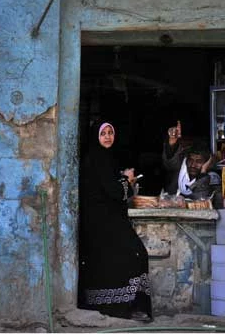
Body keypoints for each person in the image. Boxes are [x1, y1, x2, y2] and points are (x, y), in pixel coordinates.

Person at [78, 121, 153, 321]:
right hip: (102, 221)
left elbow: (111, 186)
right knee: (133, 255)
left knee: (120, 259)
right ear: (96, 136)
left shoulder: (106, 159)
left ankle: (127, 305)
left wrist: (123, 180)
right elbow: (113, 191)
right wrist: (127, 181)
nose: (108, 136)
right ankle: (123, 305)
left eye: (111, 132)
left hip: (107, 220)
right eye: (103, 133)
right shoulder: (97, 159)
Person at [162, 120, 220, 200]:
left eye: (199, 161)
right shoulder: (182, 169)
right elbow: (170, 163)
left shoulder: (213, 178)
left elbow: (201, 198)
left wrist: (203, 172)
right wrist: (172, 144)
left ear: (207, 162)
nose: (193, 165)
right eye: (190, 160)